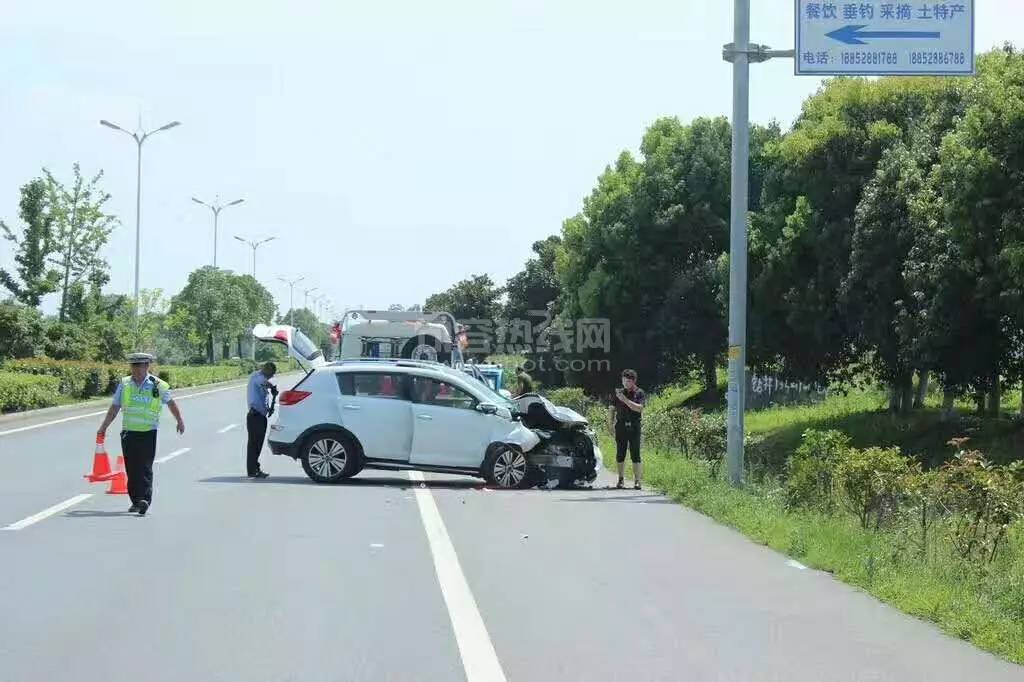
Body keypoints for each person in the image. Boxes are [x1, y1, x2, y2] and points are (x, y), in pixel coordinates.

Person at [96, 353, 185, 516]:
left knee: (145, 467)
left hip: (148, 432)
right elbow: (115, 407)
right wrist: (104, 427)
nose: (137, 369)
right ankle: (136, 501)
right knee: (132, 468)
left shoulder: (157, 385)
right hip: (129, 432)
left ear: (147, 366)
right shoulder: (125, 384)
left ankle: (144, 499)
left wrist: (179, 420)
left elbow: (170, 403)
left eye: (140, 366)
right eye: (134, 366)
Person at [609, 368, 646, 490]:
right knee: (620, 453)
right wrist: (610, 424)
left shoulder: (639, 393)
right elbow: (611, 409)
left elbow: (639, 408)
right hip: (620, 425)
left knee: (635, 454)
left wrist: (625, 400)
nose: (625, 383)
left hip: (634, 425)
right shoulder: (618, 393)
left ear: (633, 381)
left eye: (628, 381)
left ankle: (637, 481)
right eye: (623, 380)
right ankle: (620, 479)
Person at [246, 362, 278, 479]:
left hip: (259, 416)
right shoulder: (258, 377)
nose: (271, 377)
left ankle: (255, 469)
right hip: (255, 416)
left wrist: (269, 407)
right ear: (267, 370)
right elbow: (264, 383)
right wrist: (272, 387)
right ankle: (252, 470)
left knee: (257, 445)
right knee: (254, 445)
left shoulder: (260, 377)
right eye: (271, 374)